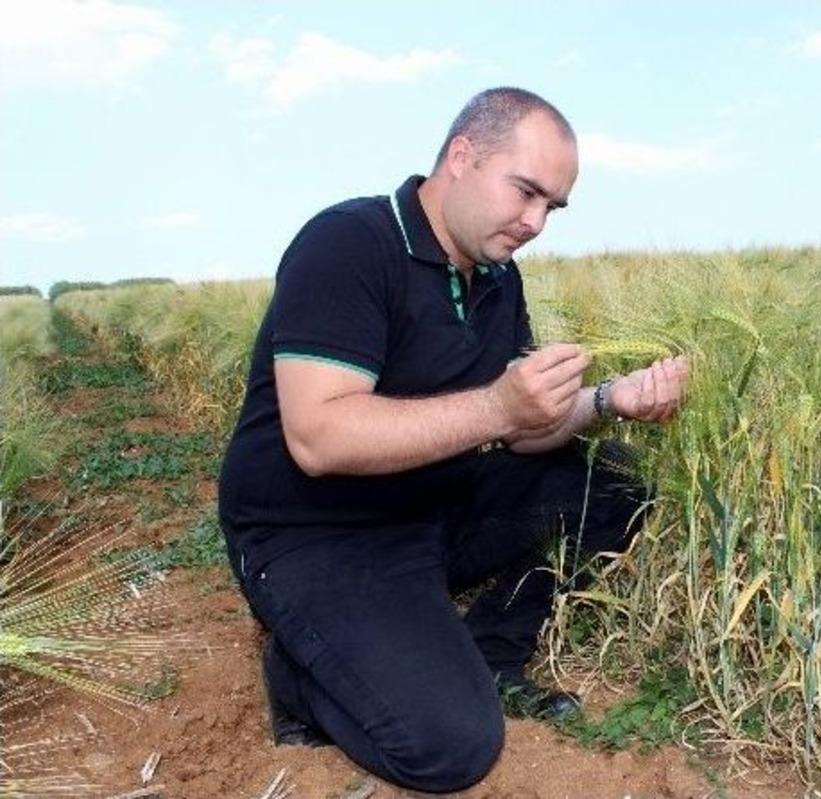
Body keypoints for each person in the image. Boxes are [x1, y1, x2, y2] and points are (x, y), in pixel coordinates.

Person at [217, 86, 689, 792]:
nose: (535, 222)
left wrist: (608, 399)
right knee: (450, 747)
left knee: (611, 481)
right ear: (462, 156)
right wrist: (499, 407)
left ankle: (490, 652)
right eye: (526, 192)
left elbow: (523, 428)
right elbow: (318, 436)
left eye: (551, 208)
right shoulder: (348, 244)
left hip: (431, 504)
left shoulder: (499, 278)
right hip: (314, 531)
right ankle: (304, 673)